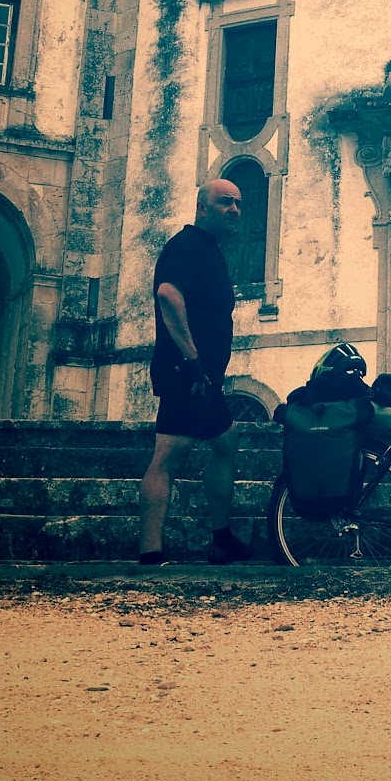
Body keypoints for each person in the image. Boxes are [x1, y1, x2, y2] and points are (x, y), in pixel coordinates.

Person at [137, 179, 252, 566]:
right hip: (187, 374)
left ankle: (222, 539)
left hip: (204, 378)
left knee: (226, 441)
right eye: (225, 202)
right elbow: (168, 294)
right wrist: (192, 359)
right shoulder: (186, 245)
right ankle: (150, 553)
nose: (234, 210)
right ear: (202, 208)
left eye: (238, 203)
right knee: (169, 455)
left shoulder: (209, 249)